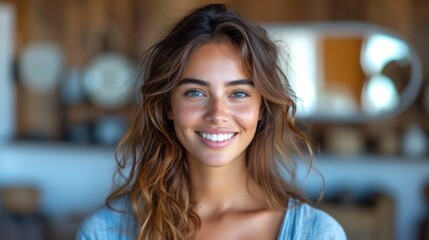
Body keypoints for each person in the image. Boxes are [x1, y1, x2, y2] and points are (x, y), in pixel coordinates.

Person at [76, 3, 346, 240]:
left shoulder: (317, 233)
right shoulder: (105, 232)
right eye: (195, 92)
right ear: (168, 105)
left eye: (238, 93)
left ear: (262, 107)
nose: (217, 114)